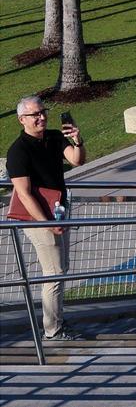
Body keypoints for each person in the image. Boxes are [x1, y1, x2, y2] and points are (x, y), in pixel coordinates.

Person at [5, 96, 86, 341]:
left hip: (59, 210)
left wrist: (77, 140)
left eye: (43, 112)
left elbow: (76, 160)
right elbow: (24, 195)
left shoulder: (53, 137)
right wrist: (47, 223)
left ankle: (57, 322)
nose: (41, 117)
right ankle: (52, 329)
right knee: (54, 272)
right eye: (34, 115)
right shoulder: (18, 151)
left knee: (62, 269)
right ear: (22, 120)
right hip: (37, 218)